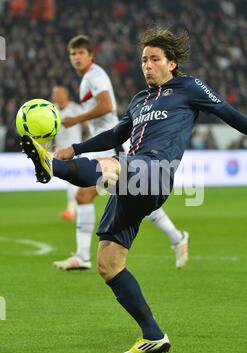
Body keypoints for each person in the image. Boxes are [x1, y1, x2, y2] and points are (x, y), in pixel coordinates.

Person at [20, 28, 247, 353]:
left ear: (172, 64)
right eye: (144, 60)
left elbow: (228, 114)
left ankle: (50, 166)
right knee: (108, 263)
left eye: (154, 60)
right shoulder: (138, 101)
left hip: (156, 170)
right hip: (133, 179)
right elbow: (114, 133)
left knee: (111, 164)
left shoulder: (188, 88)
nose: (147, 66)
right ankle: (154, 335)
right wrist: (74, 148)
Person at [53, 35, 189, 271]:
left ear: (90, 55)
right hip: (108, 145)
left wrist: (76, 120)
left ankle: (83, 256)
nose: (76, 58)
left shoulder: (94, 76)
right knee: (138, 200)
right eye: (72, 54)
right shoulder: (87, 78)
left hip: (113, 148)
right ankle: (177, 238)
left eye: (80, 53)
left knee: (88, 197)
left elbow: (107, 106)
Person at [51, 85, 87, 221]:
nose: (56, 95)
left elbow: (86, 126)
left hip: (74, 151)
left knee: (72, 181)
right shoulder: (51, 110)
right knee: (71, 182)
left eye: (58, 93)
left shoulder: (75, 109)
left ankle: (73, 211)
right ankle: (73, 210)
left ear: (66, 94)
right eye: (54, 93)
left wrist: (85, 144)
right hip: (60, 152)